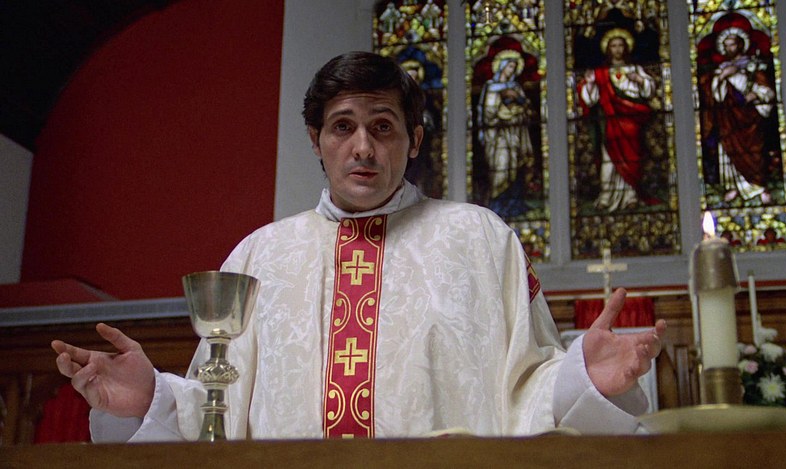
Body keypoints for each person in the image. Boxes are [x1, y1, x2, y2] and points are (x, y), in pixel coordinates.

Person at [52, 51, 665, 441]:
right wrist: (149, 397)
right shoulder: (259, 257)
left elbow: (525, 388)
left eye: (383, 126)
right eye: (343, 126)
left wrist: (582, 378)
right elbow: (221, 411)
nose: (363, 148)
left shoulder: (481, 239)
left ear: (414, 140)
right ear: (315, 139)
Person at [578, 28, 657, 213]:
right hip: (610, 121)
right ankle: (606, 196)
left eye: (621, 45)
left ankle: (631, 196)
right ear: (608, 49)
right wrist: (590, 83)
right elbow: (590, 100)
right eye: (613, 46)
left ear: (626, 47)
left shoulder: (635, 69)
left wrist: (639, 80)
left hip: (631, 121)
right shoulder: (600, 73)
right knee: (608, 159)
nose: (617, 49)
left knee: (631, 157)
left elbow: (649, 90)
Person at [700, 27, 775, 204]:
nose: (729, 48)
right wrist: (722, 77)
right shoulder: (722, 69)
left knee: (754, 150)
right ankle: (733, 186)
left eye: (732, 44)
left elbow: (768, 91)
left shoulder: (753, 65)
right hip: (728, 118)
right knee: (728, 149)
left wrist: (756, 94)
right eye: (726, 45)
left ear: (740, 45)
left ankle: (759, 185)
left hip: (749, 117)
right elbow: (715, 95)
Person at [477, 48, 536, 217]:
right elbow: (489, 112)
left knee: (515, 166)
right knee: (501, 167)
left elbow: (526, 108)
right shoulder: (491, 87)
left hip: (515, 133)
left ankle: (515, 204)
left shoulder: (516, 87)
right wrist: (506, 108)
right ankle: (497, 205)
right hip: (498, 136)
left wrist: (518, 105)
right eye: (510, 66)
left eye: (514, 68)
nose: (512, 70)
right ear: (502, 66)